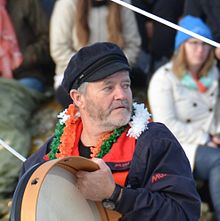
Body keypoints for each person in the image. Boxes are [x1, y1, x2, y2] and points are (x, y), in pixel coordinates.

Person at [19, 42, 200, 220]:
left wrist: (116, 195)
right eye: (108, 87)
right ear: (78, 98)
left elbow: (183, 213)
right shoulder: (48, 157)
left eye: (125, 85)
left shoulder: (154, 141)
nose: (122, 95)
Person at [148, 15, 220, 220]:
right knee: (218, 162)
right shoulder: (164, 78)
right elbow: (166, 125)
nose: (200, 49)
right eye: (193, 43)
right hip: (181, 146)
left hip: (211, 138)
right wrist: (205, 138)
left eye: (205, 44)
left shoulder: (213, 74)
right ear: (182, 46)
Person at [0, 0, 54, 217]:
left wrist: (21, 59)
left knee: (7, 113)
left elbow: (48, 40)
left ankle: (5, 184)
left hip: (28, 76)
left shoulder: (25, 3)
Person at [49, 0, 141, 108]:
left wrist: (112, 68)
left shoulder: (123, 4)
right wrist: (92, 71)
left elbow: (133, 45)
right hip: (75, 76)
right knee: (81, 104)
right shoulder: (67, 4)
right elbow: (59, 49)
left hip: (117, 73)